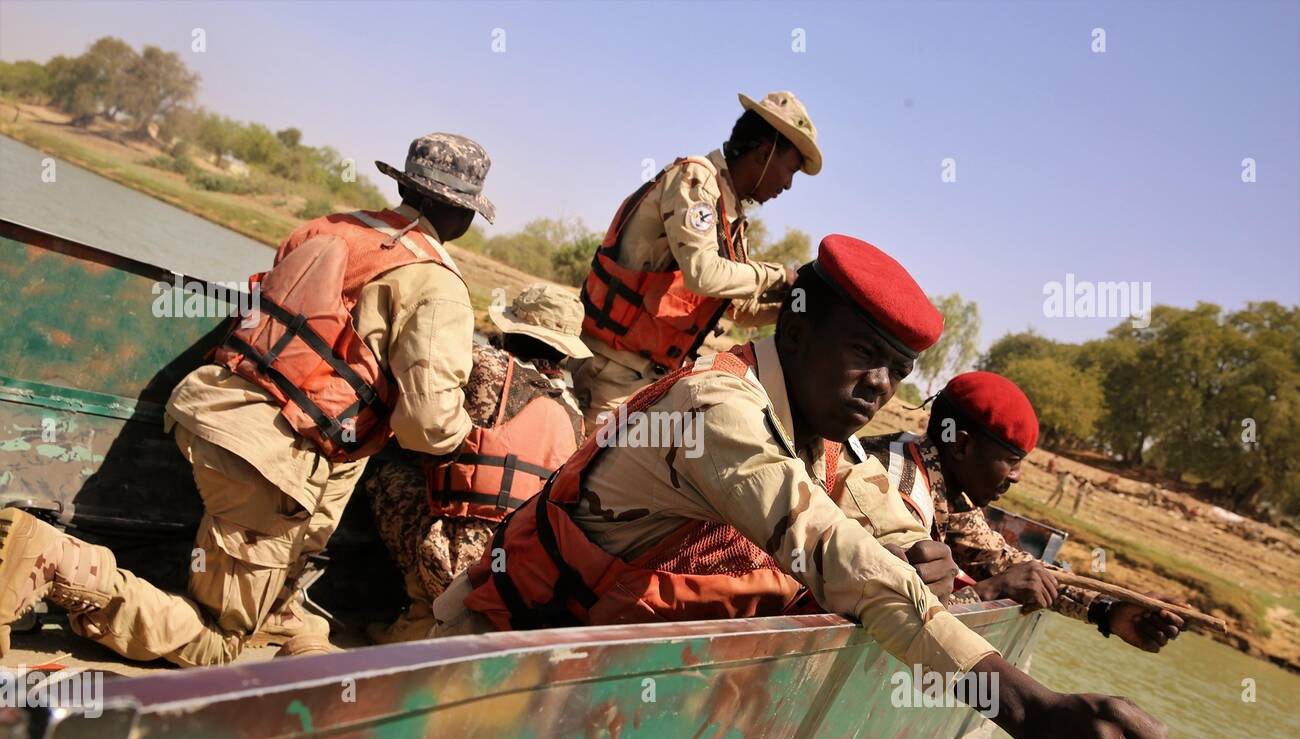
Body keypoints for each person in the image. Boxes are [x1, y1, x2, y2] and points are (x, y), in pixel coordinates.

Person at [432, 235, 1175, 739]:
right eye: (861, 352)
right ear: (796, 324)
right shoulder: (717, 412)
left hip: (590, 695)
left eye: (896, 370)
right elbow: (839, 556)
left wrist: (922, 546)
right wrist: (1028, 708)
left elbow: (881, 520)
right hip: (492, 677)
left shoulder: (820, 432)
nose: (878, 386)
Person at [0, 133, 494, 665]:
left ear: (405, 186)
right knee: (216, 644)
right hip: (267, 457)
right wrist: (471, 438)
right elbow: (426, 423)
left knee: (297, 524)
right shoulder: (437, 284)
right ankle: (52, 560)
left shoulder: (331, 228)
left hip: (209, 403)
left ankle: (277, 607)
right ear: (463, 217)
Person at [853, 371, 1186, 652]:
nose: (1017, 477)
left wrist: (1108, 610)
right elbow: (891, 621)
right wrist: (992, 591)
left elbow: (1000, 558)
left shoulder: (938, 474)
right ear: (963, 445)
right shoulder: (892, 490)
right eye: (1011, 462)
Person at [571, 91, 821, 432]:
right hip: (609, 372)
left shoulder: (731, 216)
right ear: (764, 153)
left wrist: (795, 307)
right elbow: (703, 274)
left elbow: (735, 308)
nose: (788, 185)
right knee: (580, 476)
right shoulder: (696, 181)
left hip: (648, 382)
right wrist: (778, 277)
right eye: (790, 170)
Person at [366, 285, 588, 643]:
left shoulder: (484, 364)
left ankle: (420, 611)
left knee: (387, 472)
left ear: (512, 330)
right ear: (565, 352)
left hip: (453, 560)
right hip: (514, 574)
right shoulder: (576, 414)